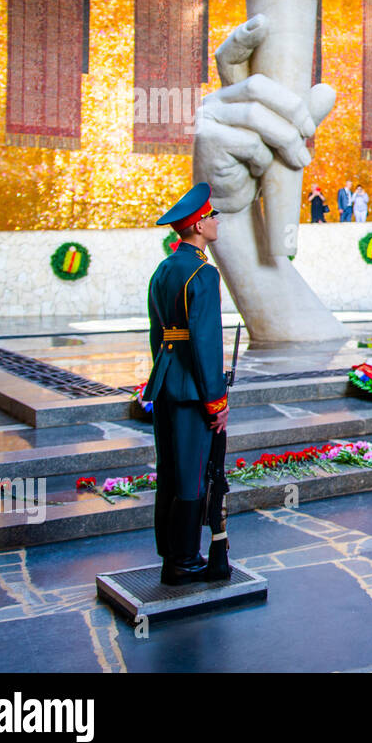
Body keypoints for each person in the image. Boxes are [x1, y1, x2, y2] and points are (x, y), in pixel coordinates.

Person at [145, 182, 228, 585]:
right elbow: (207, 343)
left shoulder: (164, 268)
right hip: (194, 390)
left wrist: (162, 372)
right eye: (211, 216)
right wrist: (216, 401)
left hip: (165, 382)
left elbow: (157, 335)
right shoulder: (203, 272)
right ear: (197, 225)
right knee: (194, 474)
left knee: (170, 472)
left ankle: (170, 556)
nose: (215, 221)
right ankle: (185, 561)